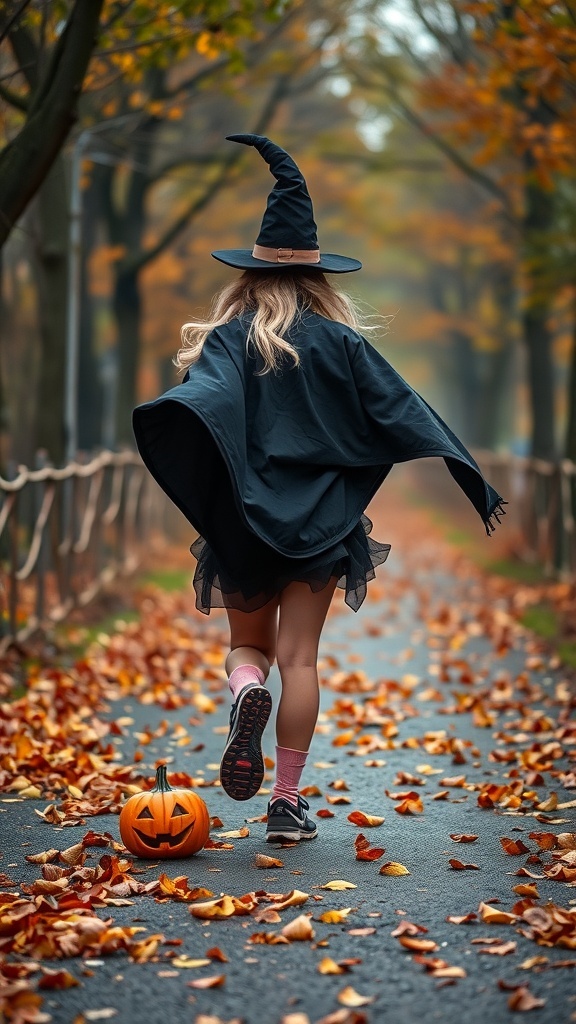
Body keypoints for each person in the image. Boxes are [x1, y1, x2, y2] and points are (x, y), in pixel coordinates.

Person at [133, 134, 507, 843]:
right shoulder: (343, 344)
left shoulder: (229, 339)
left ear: (247, 277)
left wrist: (169, 427)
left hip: (245, 523)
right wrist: (469, 474)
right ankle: (284, 803)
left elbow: (204, 404)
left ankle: (247, 696)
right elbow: (403, 409)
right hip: (321, 527)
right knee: (301, 658)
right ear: (321, 280)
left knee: (253, 651)